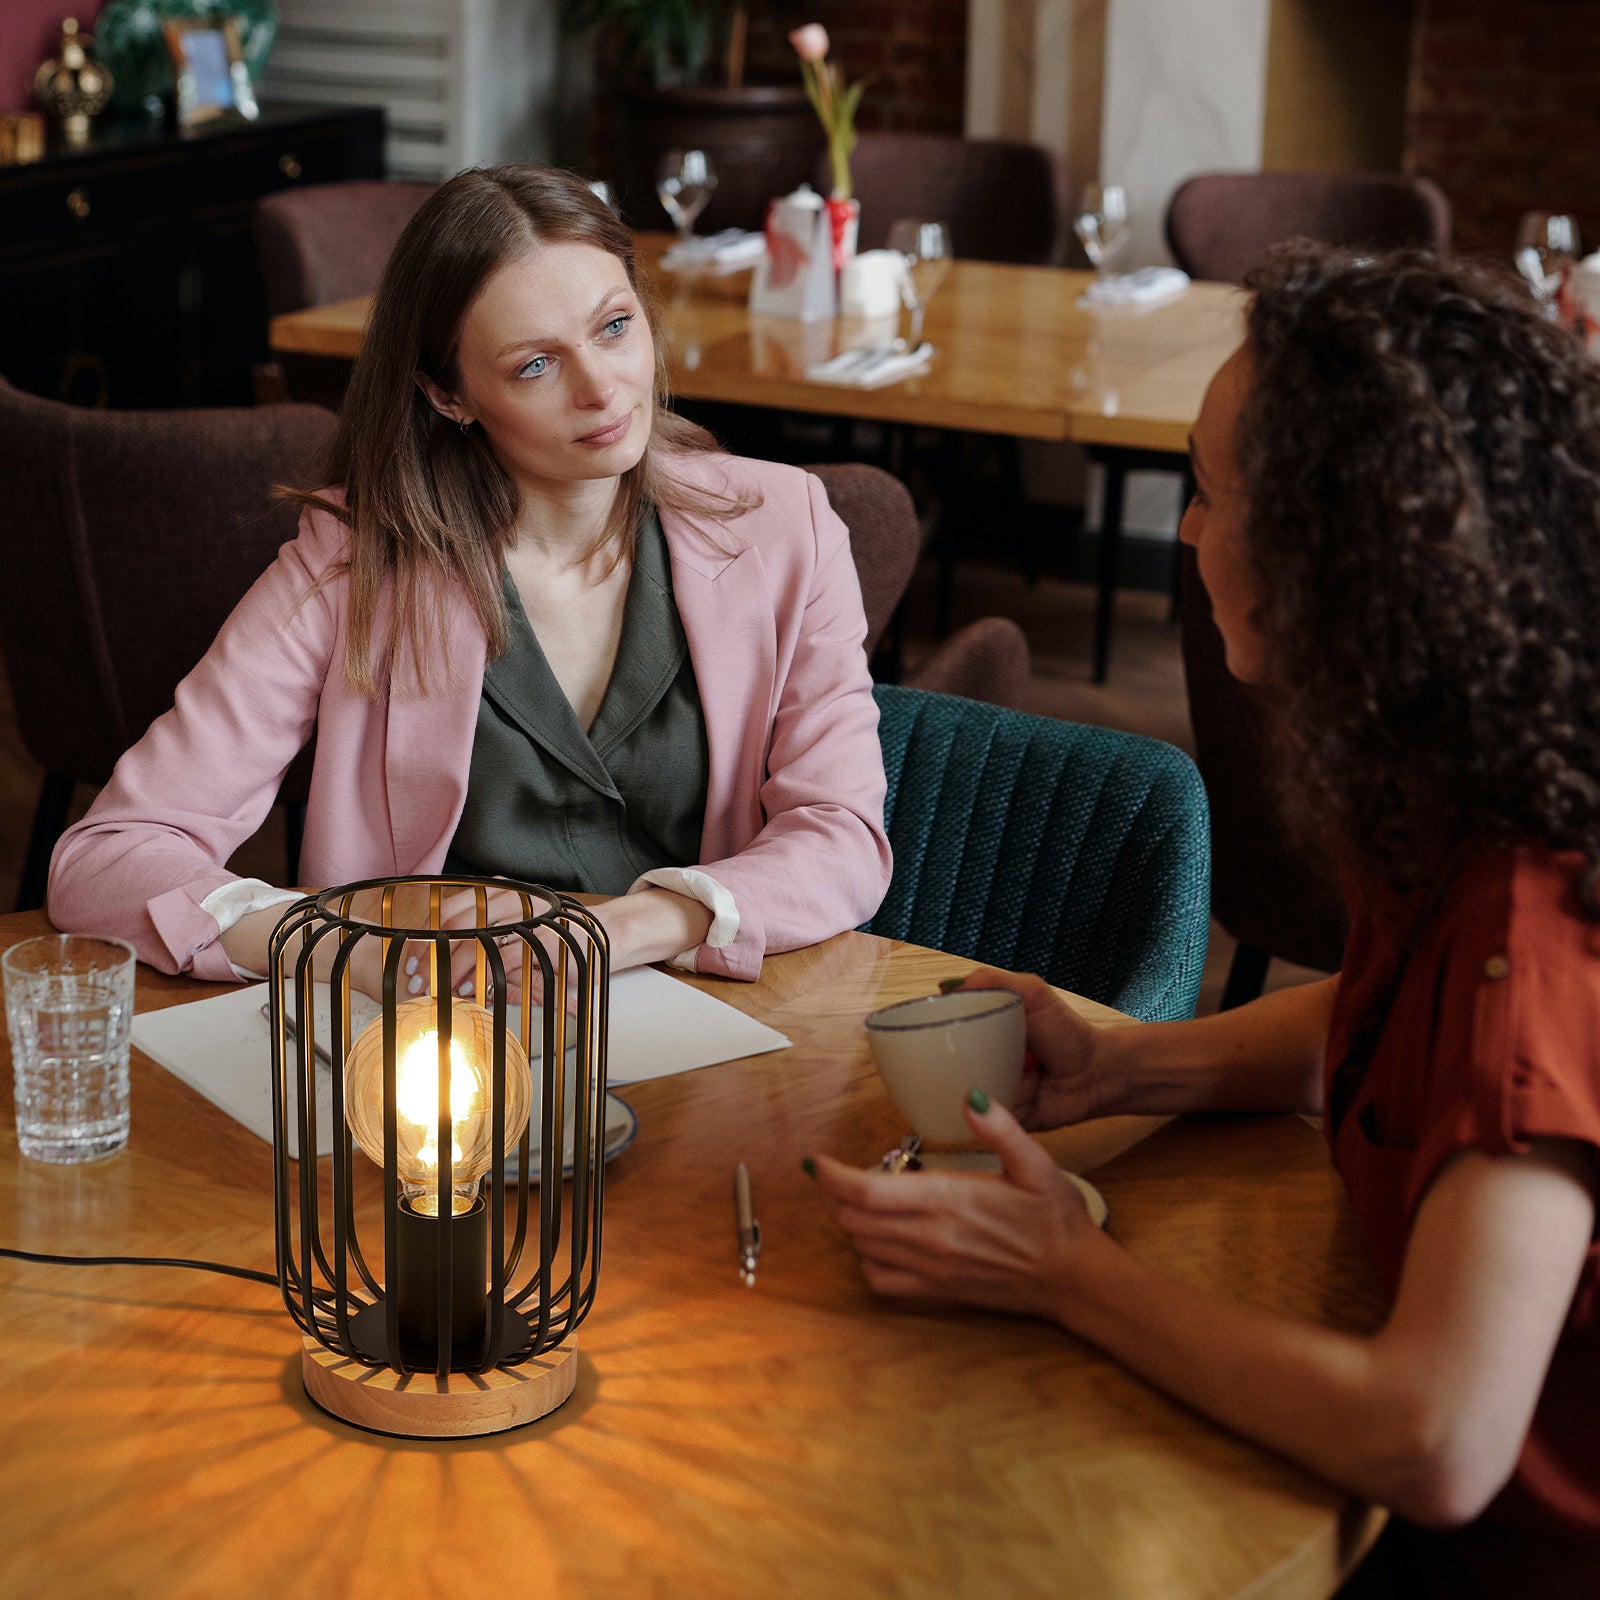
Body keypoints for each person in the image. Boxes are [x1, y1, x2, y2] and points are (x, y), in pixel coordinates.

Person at [812, 245, 1600, 1597]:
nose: (1184, 532)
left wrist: (1069, 1274)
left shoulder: (1533, 930)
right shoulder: (1462, 775)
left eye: (1210, 492)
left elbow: (1442, 1439)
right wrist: (1131, 1065)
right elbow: (1385, 1031)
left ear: (1337, 563)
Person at [47, 165, 891, 997]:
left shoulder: (788, 526)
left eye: (615, 327)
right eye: (535, 365)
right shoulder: (352, 562)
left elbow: (843, 838)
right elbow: (109, 855)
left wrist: (636, 925)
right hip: (433, 1046)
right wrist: (353, 952)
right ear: (448, 395)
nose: (602, 389)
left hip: (705, 1014)